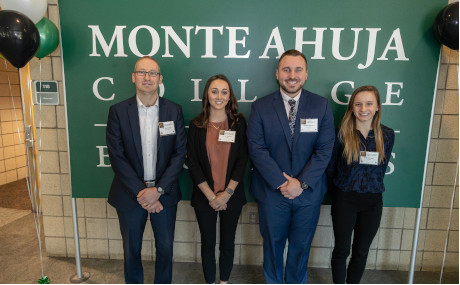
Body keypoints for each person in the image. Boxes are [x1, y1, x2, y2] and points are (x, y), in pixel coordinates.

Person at [246, 49, 335, 283]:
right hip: (272, 193)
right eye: (286, 70)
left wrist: (301, 183)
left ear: (306, 74)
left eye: (298, 70)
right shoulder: (261, 107)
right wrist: (283, 182)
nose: (292, 75)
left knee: (301, 248)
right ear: (277, 74)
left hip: (308, 194)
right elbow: (257, 149)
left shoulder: (321, 106)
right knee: (273, 247)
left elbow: (324, 150)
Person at [106, 56, 187, 284]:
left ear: (160, 78)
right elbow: (117, 156)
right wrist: (143, 193)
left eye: (152, 73)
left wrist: (158, 190)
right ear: (133, 77)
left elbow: (179, 153)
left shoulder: (174, 110)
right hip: (129, 195)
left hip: (164, 194)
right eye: (142, 72)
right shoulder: (118, 111)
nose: (147, 77)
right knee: (131, 250)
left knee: (165, 248)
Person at [327, 85, 394, 284]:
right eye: (358, 104)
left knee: (361, 251)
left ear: (377, 107)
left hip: (372, 202)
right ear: (351, 108)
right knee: (342, 250)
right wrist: (338, 195)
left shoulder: (387, 135)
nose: (363, 108)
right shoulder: (340, 134)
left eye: (368, 103)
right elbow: (331, 169)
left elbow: (382, 168)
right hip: (344, 200)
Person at [187, 74, 248, 284]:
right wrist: (213, 197)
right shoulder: (196, 125)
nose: (219, 96)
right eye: (214, 91)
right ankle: (211, 281)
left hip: (232, 196)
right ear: (207, 95)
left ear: (230, 96)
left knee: (227, 243)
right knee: (207, 243)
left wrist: (227, 194)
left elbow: (242, 160)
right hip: (205, 197)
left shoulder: (238, 123)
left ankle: (224, 282)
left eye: (224, 92)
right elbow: (193, 164)